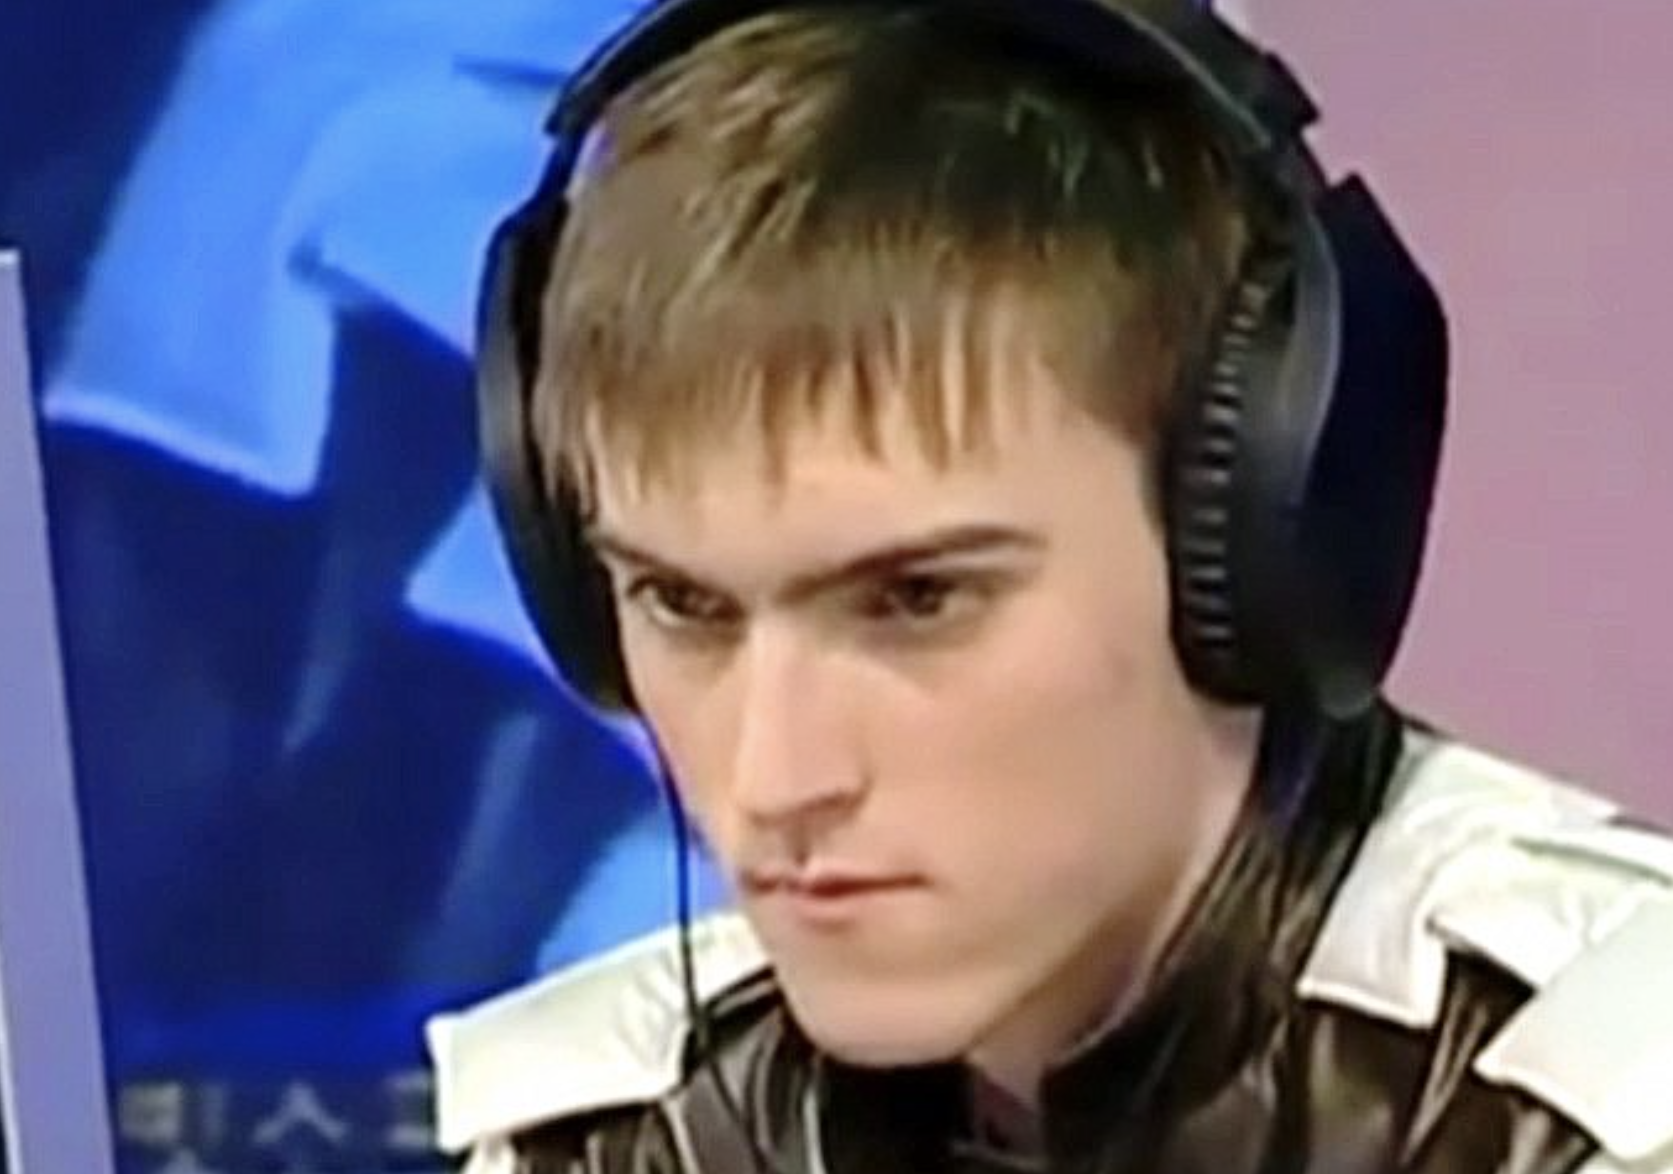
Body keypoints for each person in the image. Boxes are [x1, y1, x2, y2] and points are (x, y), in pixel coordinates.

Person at [426, 2, 1673, 1172]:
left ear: (1250, 554)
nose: (774, 780)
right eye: (684, 606)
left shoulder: (1602, 1111)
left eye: (917, 599)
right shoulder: (618, 1139)